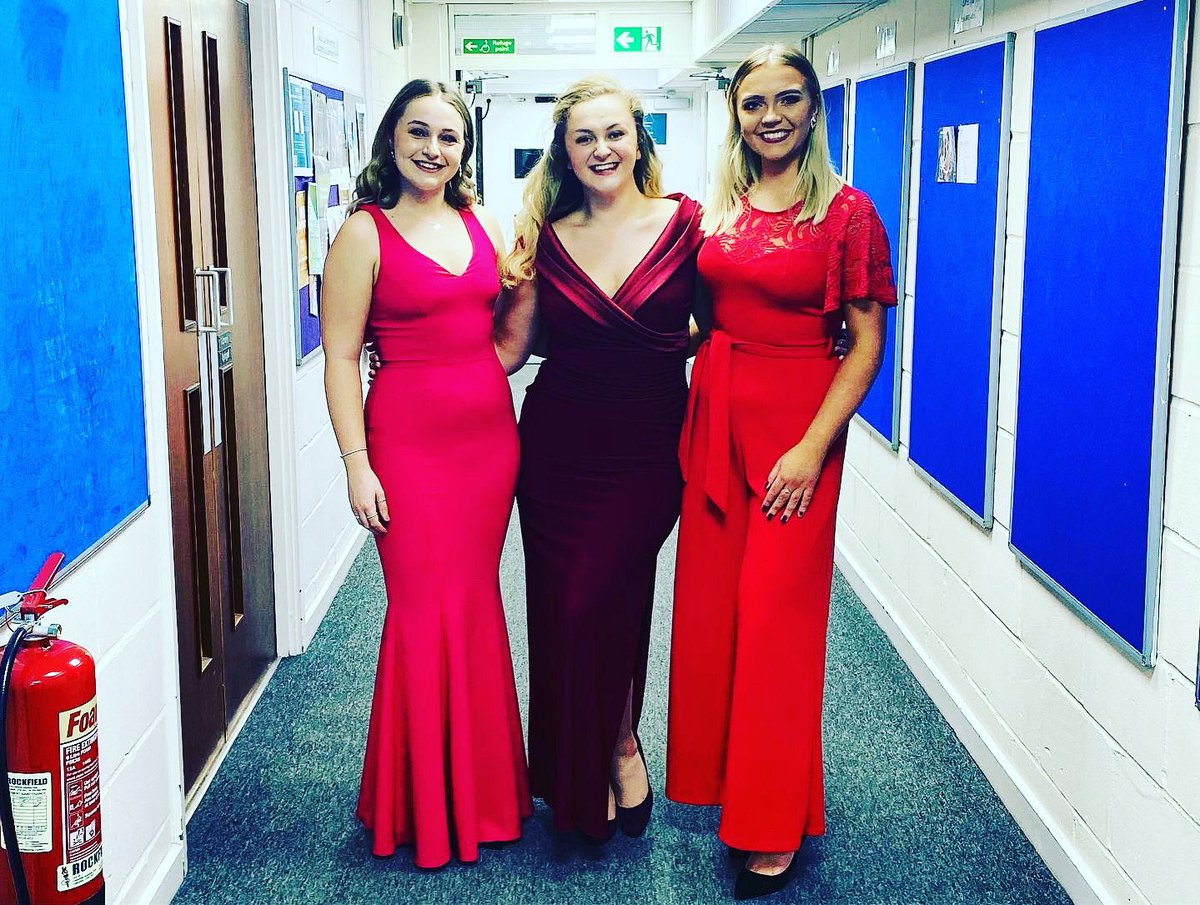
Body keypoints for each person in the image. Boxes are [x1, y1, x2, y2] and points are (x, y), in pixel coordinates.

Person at [667, 44, 897, 900]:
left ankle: (772, 823)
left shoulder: (847, 213)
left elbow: (867, 343)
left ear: (812, 108)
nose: (770, 116)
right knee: (714, 619)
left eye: (787, 99)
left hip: (799, 434)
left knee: (775, 626)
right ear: (736, 112)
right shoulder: (720, 210)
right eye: (754, 101)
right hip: (717, 419)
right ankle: (732, 788)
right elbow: (700, 317)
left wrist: (810, 446)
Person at [320, 79, 531, 870]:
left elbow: (505, 333)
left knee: (476, 604)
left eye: (449, 136)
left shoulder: (481, 222)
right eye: (419, 131)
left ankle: (484, 797)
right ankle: (420, 805)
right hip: (405, 448)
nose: (433, 149)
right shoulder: (363, 234)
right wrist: (355, 463)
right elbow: (341, 356)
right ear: (392, 137)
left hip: (487, 445)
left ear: (464, 151)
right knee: (418, 610)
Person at [495, 75, 705, 842]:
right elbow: (512, 349)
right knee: (566, 608)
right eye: (583, 138)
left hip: (650, 450)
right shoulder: (544, 238)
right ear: (565, 152)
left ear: (638, 138)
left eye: (613, 133)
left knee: (601, 596)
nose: (600, 149)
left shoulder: (687, 226)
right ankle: (584, 764)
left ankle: (616, 742)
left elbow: (725, 326)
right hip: (557, 452)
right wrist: (414, 364)